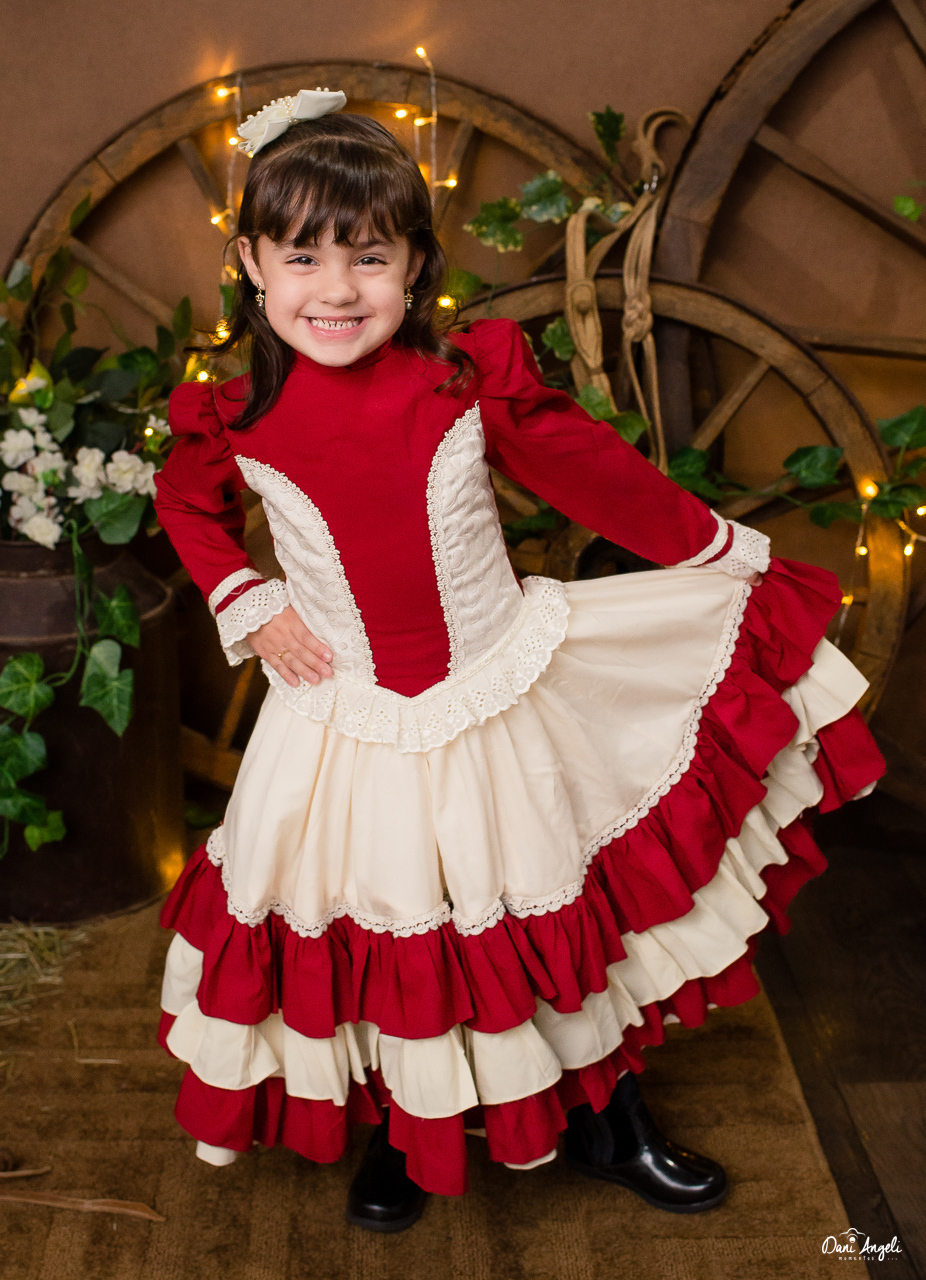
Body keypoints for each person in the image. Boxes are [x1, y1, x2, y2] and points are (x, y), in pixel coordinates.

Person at [153, 91, 884, 1233]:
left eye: (369, 257)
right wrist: (245, 596)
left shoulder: (461, 380)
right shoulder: (235, 415)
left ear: (414, 265)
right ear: (250, 263)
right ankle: (407, 1128)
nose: (336, 290)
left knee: (554, 911)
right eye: (301, 257)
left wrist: (716, 548)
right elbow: (185, 502)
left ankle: (609, 1117)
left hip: (499, 694)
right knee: (387, 921)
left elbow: (592, 473)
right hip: (345, 720)